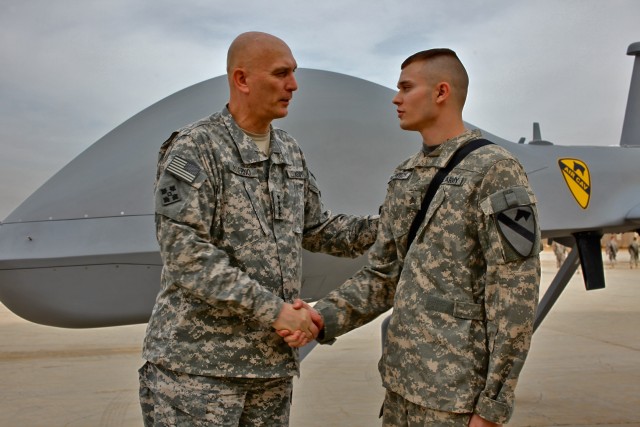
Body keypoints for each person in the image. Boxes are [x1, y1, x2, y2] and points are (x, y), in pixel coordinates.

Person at [282, 48, 541, 426]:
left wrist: (492, 407)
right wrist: (322, 318)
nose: (396, 98)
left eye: (406, 87)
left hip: (455, 400)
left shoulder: (495, 171)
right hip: (401, 388)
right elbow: (383, 277)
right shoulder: (407, 175)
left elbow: (514, 298)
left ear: (441, 92)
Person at [138, 31, 379, 426]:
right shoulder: (196, 148)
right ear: (242, 79)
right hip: (198, 375)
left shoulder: (289, 151)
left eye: (294, 73)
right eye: (281, 73)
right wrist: (276, 312)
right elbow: (186, 254)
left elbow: (318, 228)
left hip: (269, 372)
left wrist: (391, 224)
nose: (293, 85)